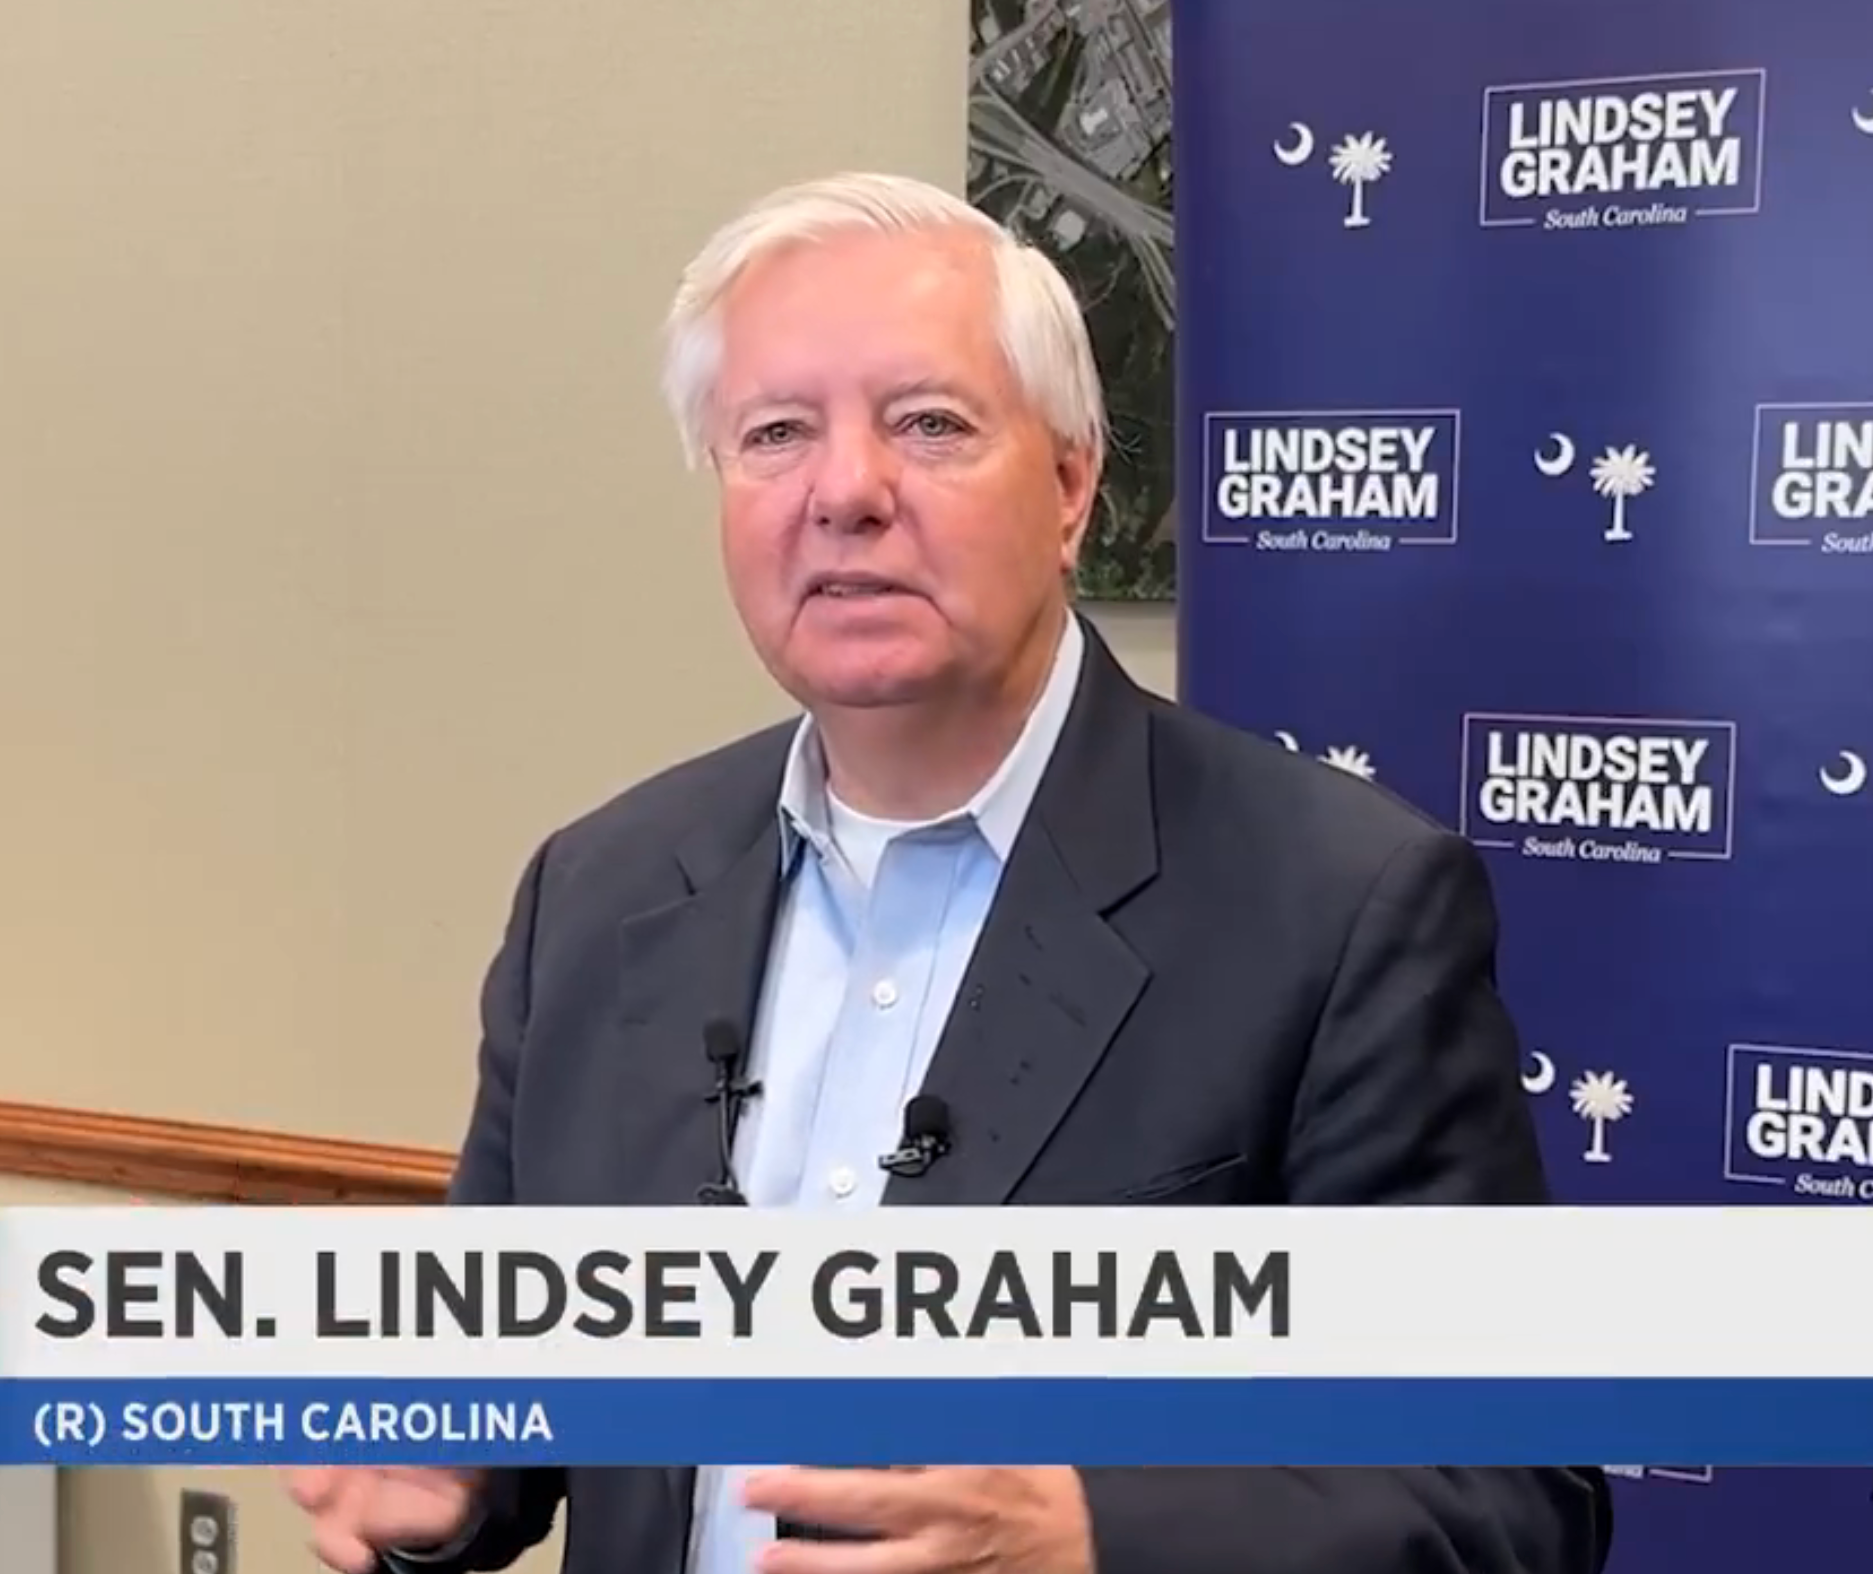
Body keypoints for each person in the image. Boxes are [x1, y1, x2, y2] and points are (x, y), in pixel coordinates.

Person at [284, 170, 1610, 1574]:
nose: (845, 491)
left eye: (928, 424)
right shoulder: (597, 895)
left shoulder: (1340, 908)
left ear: (1070, 485)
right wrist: (438, 1479)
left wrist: (1093, 1537)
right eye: (775, 433)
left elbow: (1507, 1492)